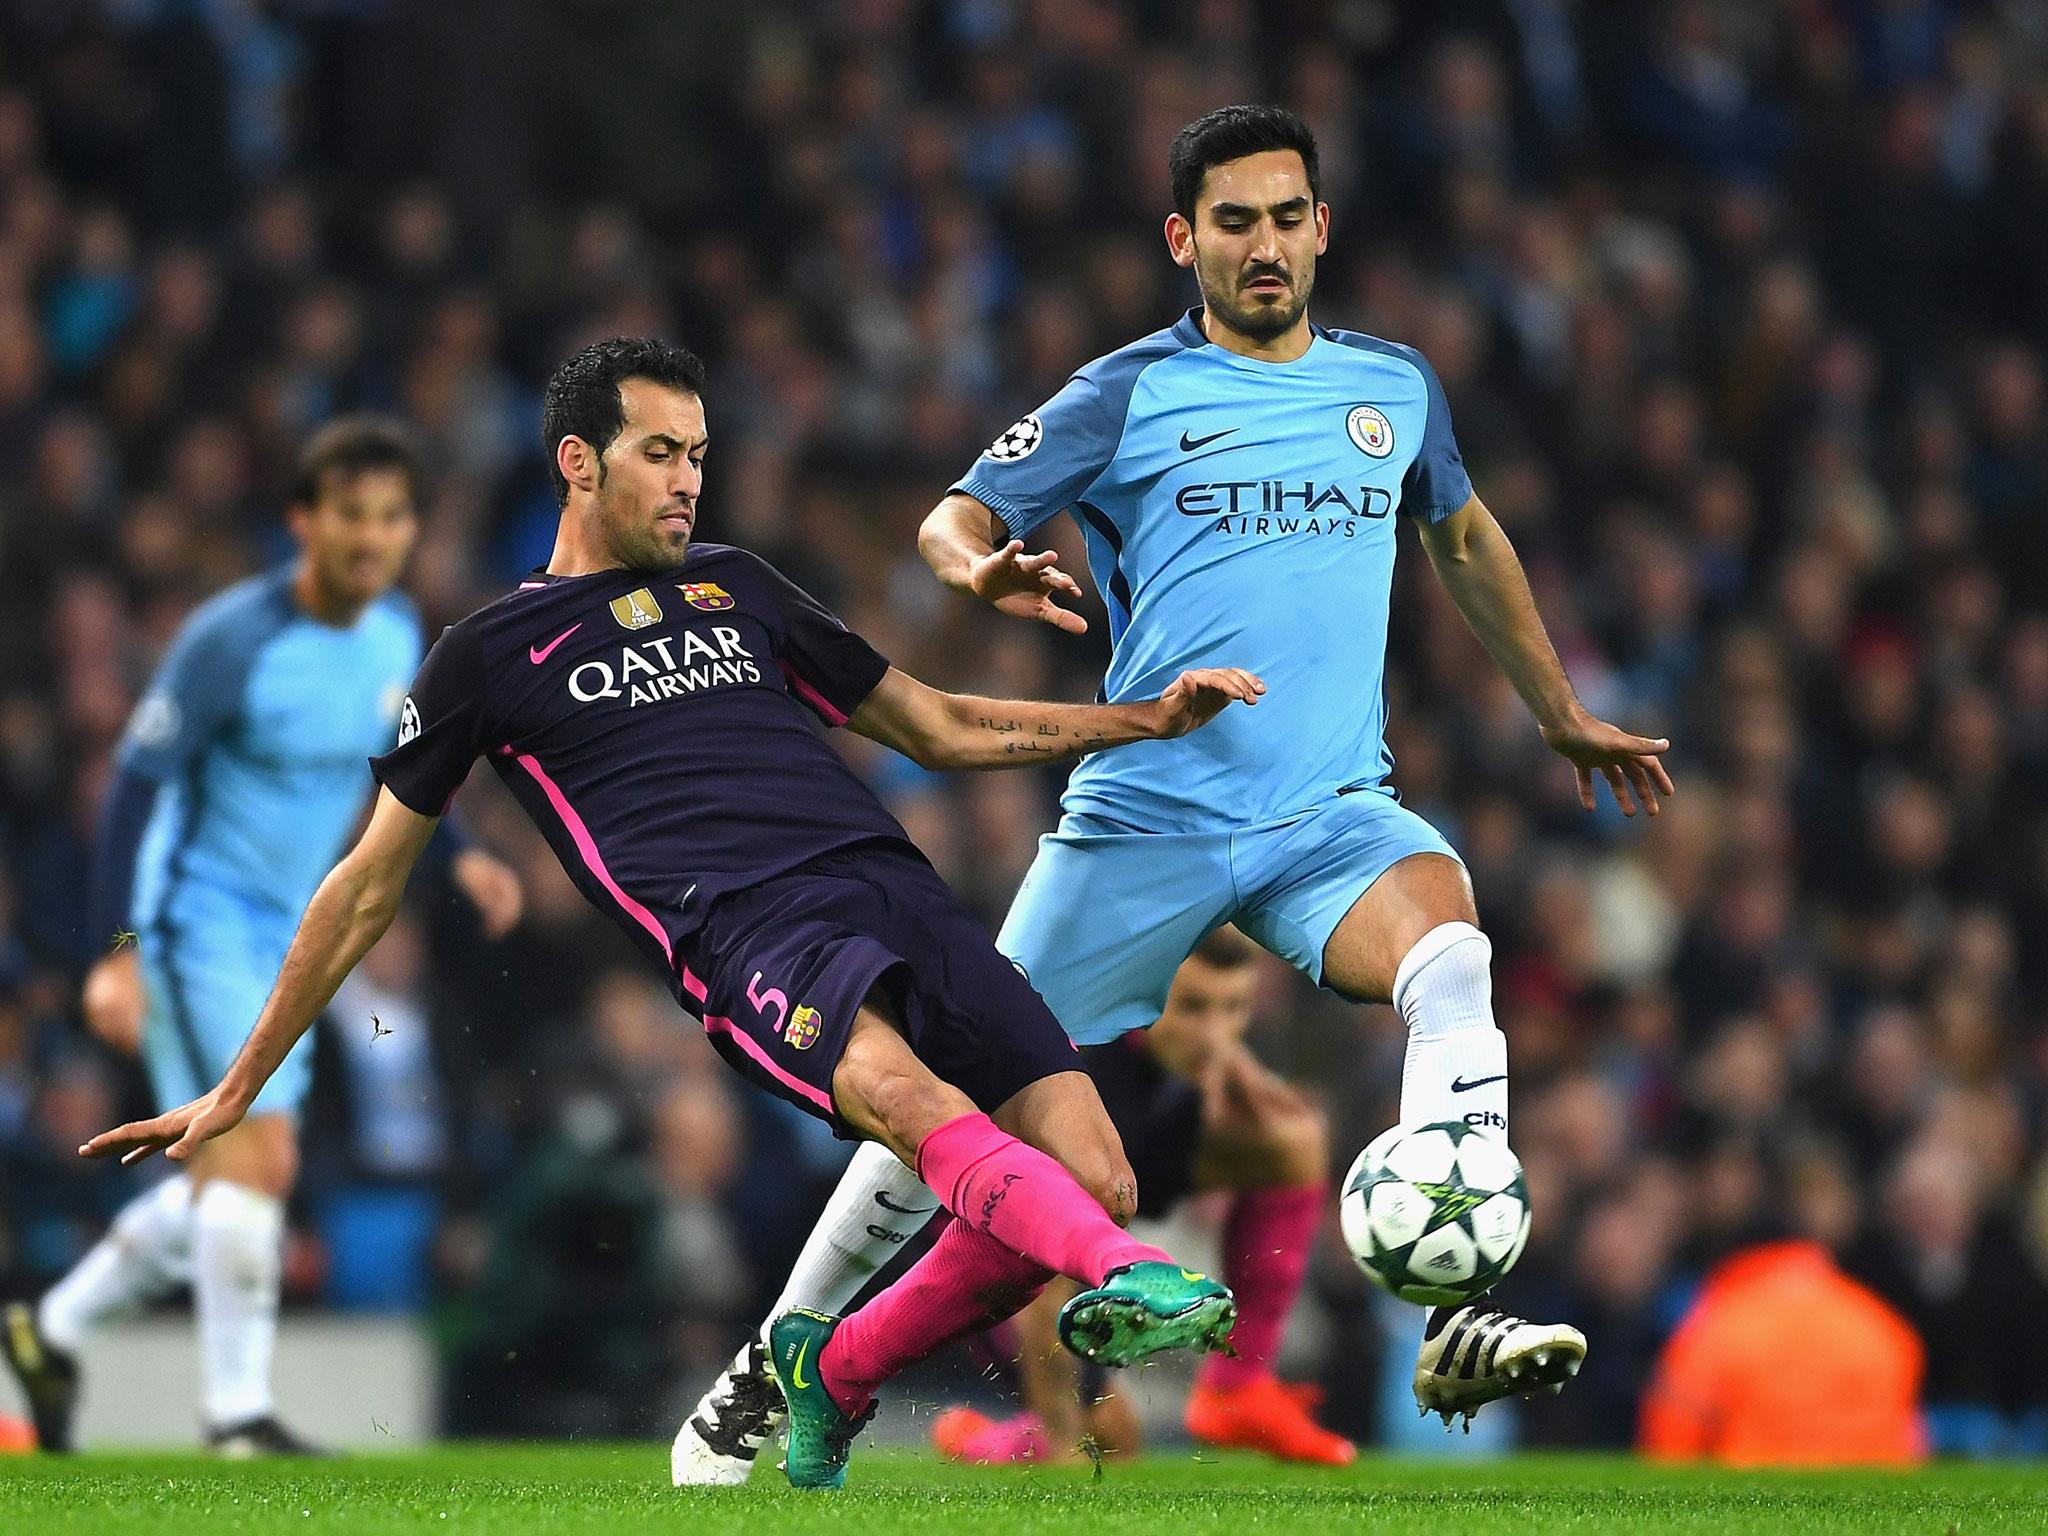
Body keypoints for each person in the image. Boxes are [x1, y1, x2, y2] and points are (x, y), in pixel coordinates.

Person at [77, 336, 1266, 1491]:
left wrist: (1143, 719)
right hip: (745, 928)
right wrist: (239, 1082)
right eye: (658, 450)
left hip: (892, 882)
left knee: (1094, 1171)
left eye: (697, 451)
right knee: (919, 1108)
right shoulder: (487, 653)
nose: (689, 476)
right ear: (578, 464)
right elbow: (363, 886)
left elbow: (937, 727)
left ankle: (835, 1365)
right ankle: (1127, 1273)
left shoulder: (737, 585)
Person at [677, 102, 1676, 1477]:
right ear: (1183, 239)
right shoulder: (1126, 392)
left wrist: (1558, 713)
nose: (1264, 246)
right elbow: (955, 515)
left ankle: (1458, 1311)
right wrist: (976, 567)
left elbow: (1462, 531)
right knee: (943, 1111)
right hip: (1145, 822)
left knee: (1452, 955)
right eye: (1234, 222)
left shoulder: (1394, 389)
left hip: (1329, 817)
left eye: (1285, 217)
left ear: (1322, 227)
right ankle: (772, 1360)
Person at [3, 417, 523, 1457]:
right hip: (192, 924)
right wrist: (116, 952)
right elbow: (134, 793)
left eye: (391, 517)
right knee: (259, 1157)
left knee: (224, 1175)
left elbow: (399, 757)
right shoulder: (229, 641)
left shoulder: (389, 633)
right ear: (303, 522)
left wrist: (459, 848)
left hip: (285, 937)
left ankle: (48, 1334)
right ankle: (237, 1418)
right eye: (351, 516)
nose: (372, 539)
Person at [932, 928, 1353, 1467]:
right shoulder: (1077, 1078)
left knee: (1292, 1138)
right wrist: (1064, 1442)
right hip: (988, 1252)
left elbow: (1216, 1051)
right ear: (1144, 994)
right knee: (1110, 1438)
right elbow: (1036, 1262)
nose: (1215, 1035)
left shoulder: (1184, 1052)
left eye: (1234, 1009)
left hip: (1122, 1161)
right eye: (1194, 1009)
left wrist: (1235, 1065)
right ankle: (978, 1440)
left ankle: (1238, 1386)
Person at [1639, 1235, 1924, 1465]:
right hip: (1871, 1501)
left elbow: (1672, 1438)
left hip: (1752, 1503)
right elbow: (1910, 1436)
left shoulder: (1718, 1324)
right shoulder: (1880, 1325)